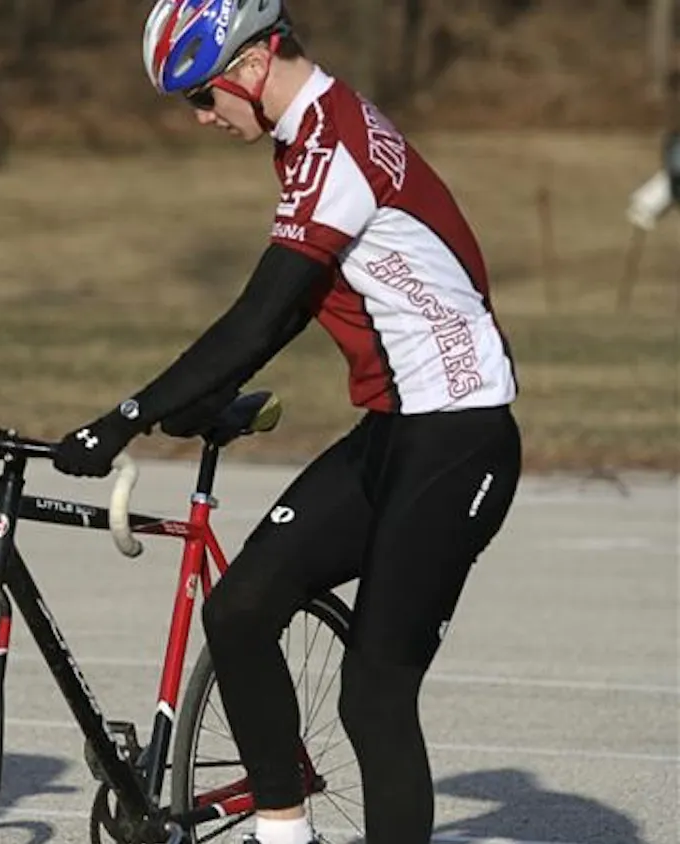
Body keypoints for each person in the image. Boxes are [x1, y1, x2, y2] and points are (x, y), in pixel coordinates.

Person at [51, 3, 523, 843]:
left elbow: (261, 313)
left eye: (202, 95)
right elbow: (310, 296)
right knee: (240, 610)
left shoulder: (332, 144)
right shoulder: (306, 136)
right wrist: (198, 396)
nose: (201, 118)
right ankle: (282, 831)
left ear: (256, 60)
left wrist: (127, 415)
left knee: (374, 694)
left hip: (459, 434)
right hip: (392, 428)